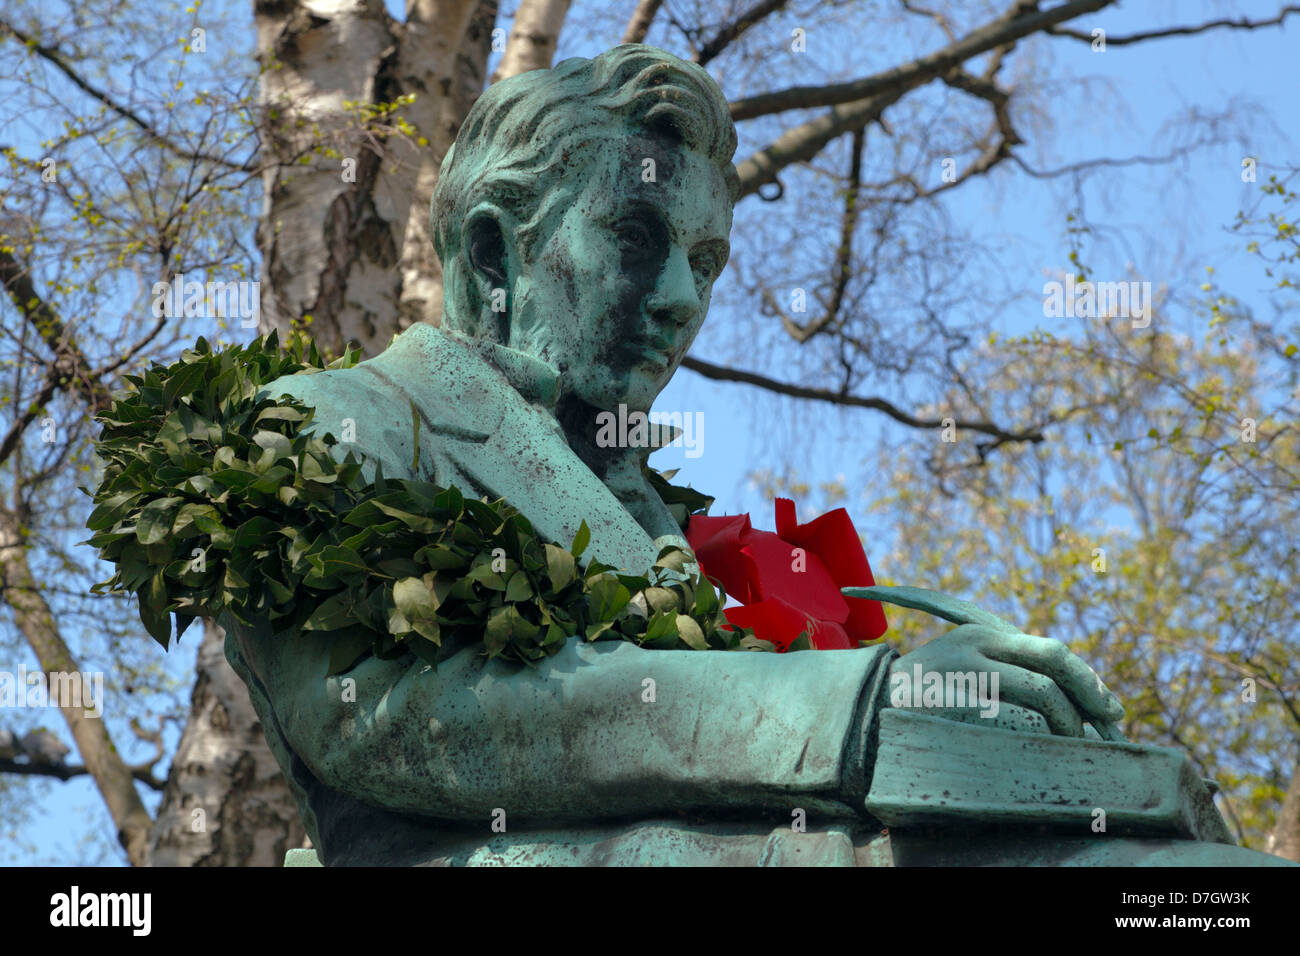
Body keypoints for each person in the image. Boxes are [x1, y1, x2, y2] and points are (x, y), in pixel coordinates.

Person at [224, 44, 1169, 866]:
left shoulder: (671, 524)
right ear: (488, 254)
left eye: (706, 260)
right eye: (636, 237)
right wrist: (855, 706)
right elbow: (382, 716)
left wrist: (943, 702)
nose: (681, 297)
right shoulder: (331, 420)